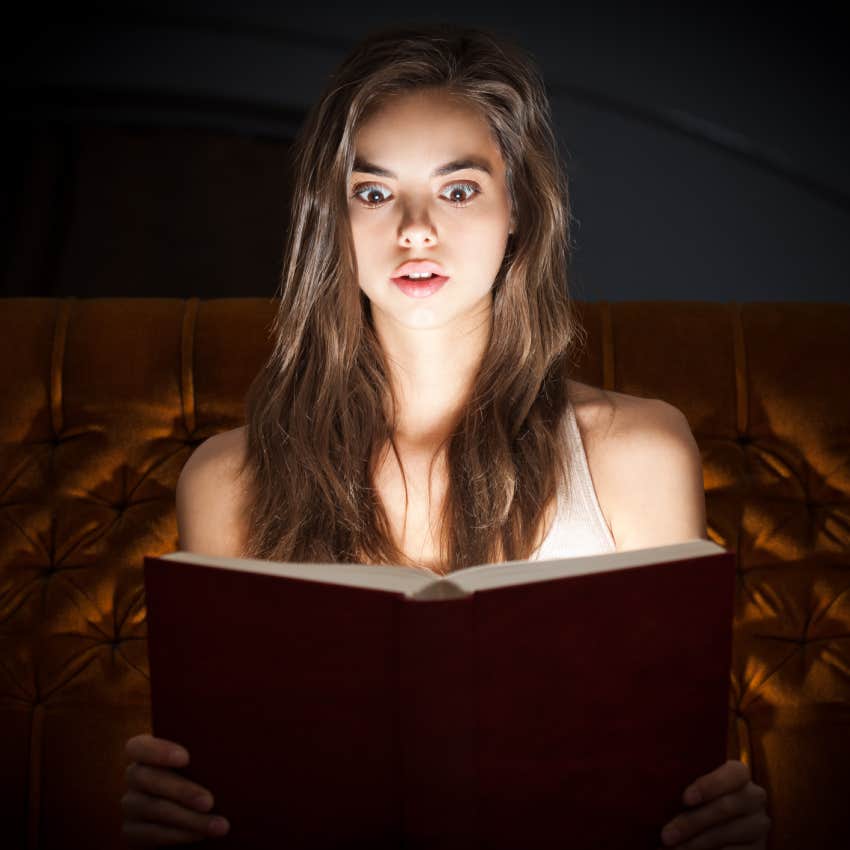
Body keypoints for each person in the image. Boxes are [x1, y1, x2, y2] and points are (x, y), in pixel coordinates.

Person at [121, 23, 771, 849]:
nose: (416, 229)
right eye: (373, 192)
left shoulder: (636, 452)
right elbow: (225, 788)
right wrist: (170, 820)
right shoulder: (228, 479)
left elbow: (677, 771)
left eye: (459, 190)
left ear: (518, 213)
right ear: (332, 221)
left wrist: (723, 826)